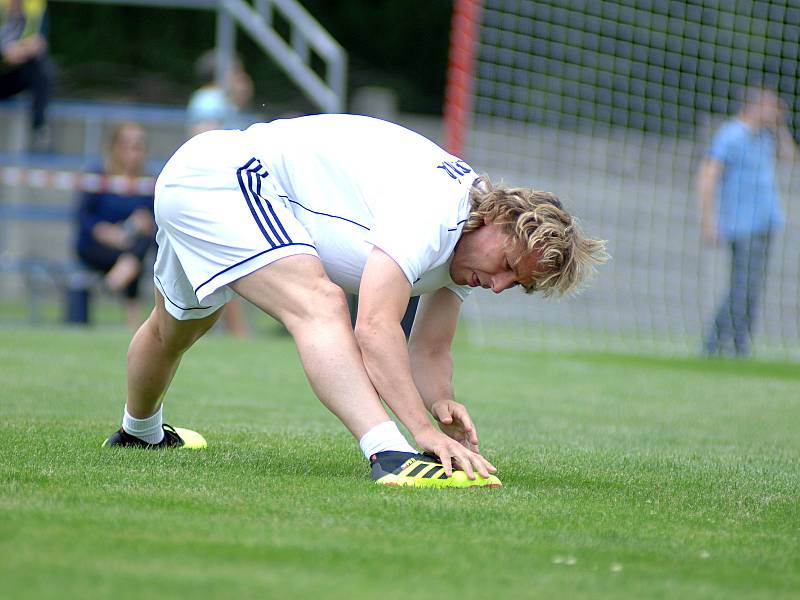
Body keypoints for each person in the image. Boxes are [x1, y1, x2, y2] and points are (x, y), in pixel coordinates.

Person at [102, 114, 607, 488]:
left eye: (515, 284)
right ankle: (388, 454)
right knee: (319, 304)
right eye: (506, 268)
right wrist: (419, 433)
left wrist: (440, 403)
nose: (497, 286)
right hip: (223, 173)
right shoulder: (437, 209)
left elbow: (428, 350)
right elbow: (375, 328)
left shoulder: (466, 245)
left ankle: (138, 433)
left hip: (203, 181)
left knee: (177, 327)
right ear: (498, 221)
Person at [697, 86, 795, 358]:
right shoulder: (732, 135)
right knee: (740, 287)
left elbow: (789, 157)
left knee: (753, 289)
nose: (774, 112)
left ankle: (740, 345)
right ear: (753, 106)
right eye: (770, 106)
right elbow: (707, 177)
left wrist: (779, 127)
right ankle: (714, 343)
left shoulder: (765, 137)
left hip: (766, 222)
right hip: (742, 225)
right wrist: (708, 220)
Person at [186, 49, 255, 337]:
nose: (242, 79)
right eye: (236, 73)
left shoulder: (215, 100)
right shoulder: (209, 99)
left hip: (215, 192)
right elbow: (204, 139)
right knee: (233, 266)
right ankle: (239, 335)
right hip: (214, 193)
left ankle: (236, 334)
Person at [74, 122, 156, 329]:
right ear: (115, 147)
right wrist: (104, 231)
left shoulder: (148, 183)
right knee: (133, 259)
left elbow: (158, 224)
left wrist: (145, 224)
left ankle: (114, 282)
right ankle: (132, 320)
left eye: (139, 145)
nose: (134, 151)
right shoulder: (97, 175)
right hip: (97, 246)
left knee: (139, 247)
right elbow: (83, 217)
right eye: (128, 145)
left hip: (132, 244)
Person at [0, 0, 52, 151]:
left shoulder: (36, 6)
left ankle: (39, 128)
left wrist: (18, 52)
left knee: (43, 68)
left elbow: (40, 42)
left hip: (17, 72)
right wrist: (5, 51)